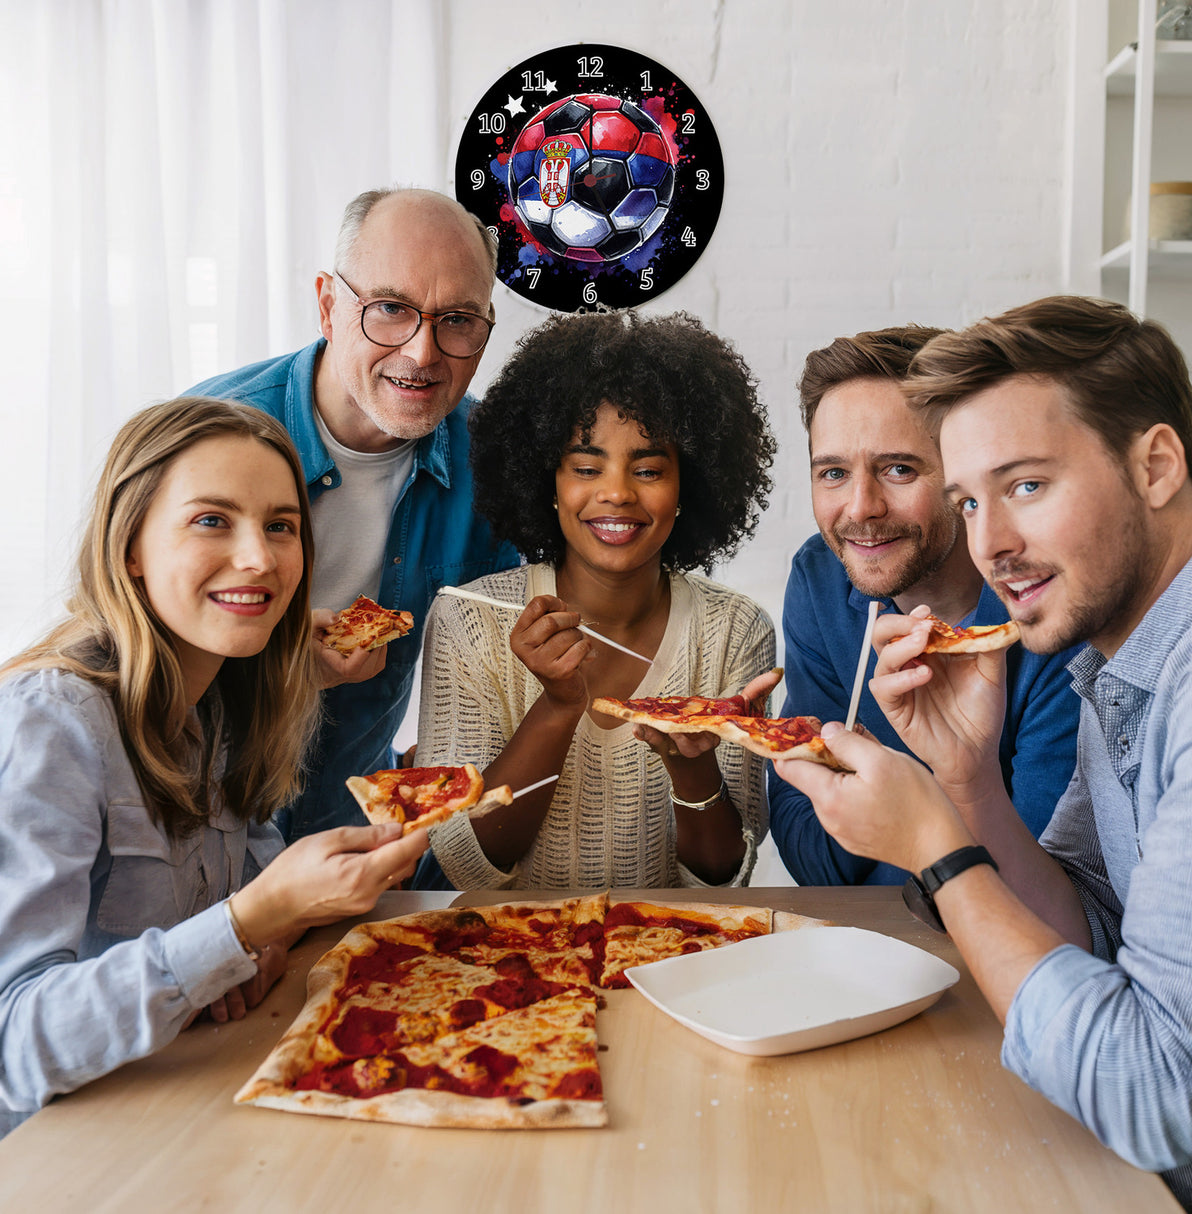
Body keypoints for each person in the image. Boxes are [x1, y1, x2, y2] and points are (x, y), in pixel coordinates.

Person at [776, 297, 1192, 1212]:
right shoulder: (1119, 649)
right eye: (971, 500)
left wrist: (941, 847)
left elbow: (1159, 1097)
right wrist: (970, 783)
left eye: (1024, 486)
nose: (991, 545)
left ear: (1157, 465)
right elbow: (1088, 929)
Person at [0, 398, 428, 1137]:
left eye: (280, 526)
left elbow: (242, 894)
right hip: (58, 1154)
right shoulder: (50, 720)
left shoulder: (224, 694)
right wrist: (253, 920)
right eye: (211, 520)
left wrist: (253, 944)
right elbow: (12, 1045)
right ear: (130, 545)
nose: (260, 558)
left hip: (180, 1103)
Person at [189, 188, 518, 843]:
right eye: (391, 309)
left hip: (355, 843)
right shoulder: (201, 438)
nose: (423, 354)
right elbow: (119, 664)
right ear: (328, 304)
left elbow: (498, 677)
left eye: (457, 319)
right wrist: (280, 664)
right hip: (191, 839)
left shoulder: (498, 466)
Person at [413, 310, 780, 890]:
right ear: (547, 482)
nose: (616, 493)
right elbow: (467, 864)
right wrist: (558, 705)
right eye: (586, 466)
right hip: (508, 964)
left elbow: (723, 878)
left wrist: (692, 767)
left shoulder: (735, 629)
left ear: (690, 486)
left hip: (674, 962)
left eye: (650, 469)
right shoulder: (470, 619)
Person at [768, 325, 1080, 885]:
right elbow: (807, 853)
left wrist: (889, 802)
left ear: (961, 478)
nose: (861, 508)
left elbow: (1044, 883)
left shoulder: (1049, 609)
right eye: (834, 473)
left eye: (899, 469)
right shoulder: (819, 577)